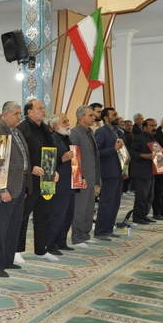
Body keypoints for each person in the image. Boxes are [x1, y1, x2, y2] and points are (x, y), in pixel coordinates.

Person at [0, 101, 32, 277]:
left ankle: (8, 259)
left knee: (14, 226)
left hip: (19, 185)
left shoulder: (17, 132)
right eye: (16, 113)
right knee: (1, 228)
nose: (19, 116)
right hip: (6, 188)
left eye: (19, 113)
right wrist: (1, 190)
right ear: (5, 115)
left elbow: (24, 159)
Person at [15, 99, 59, 263]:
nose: (43, 110)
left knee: (43, 215)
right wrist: (31, 167)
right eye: (39, 108)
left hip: (45, 180)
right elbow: (18, 155)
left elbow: (51, 152)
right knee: (23, 216)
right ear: (29, 112)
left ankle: (41, 249)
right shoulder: (23, 129)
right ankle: (16, 250)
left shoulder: (45, 129)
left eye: (43, 108)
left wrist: (54, 170)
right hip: (29, 180)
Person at [47, 114, 84, 255]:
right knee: (57, 216)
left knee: (68, 216)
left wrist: (81, 177)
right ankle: (51, 244)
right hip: (59, 185)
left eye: (68, 121)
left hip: (71, 183)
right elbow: (47, 163)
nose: (68, 124)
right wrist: (61, 159)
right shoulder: (51, 140)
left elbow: (75, 161)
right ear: (56, 126)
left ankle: (61, 241)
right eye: (64, 122)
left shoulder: (68, 139)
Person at [70, 105, 101, 247]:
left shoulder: (90, 132)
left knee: (89, 207)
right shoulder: (75, 133)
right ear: (81, 117)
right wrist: (79, 177)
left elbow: (94, 157)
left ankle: (85, 234)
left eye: (93, 115)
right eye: (90, 115)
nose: (94, 117)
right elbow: (74, 157)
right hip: (81, 178)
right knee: (80, 208)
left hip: (91, 176)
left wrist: (97, 179)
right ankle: (77, 237)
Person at [94, 107, 125, 239]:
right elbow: (97, 152)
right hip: (108, 171)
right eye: (114, 115)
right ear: (106, 118)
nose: (117, 117)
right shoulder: (101, 132)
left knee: (115, 202)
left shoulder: (116, 131)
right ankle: (100, 231)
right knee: (107, 202)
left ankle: (108, 229)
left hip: (118, 171)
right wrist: (114, 149)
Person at [130, 118, 160, 224]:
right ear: (145, 127)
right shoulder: (139, 138)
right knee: (141, 197)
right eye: (151, 126)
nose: (154, 128)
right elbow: (131, 151)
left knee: (149, 197)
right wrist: (145, 156)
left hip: (151, 172)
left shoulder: (153, 139)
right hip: (141, 172)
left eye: (155, 125)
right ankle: (138, 217)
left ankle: (144, 215)